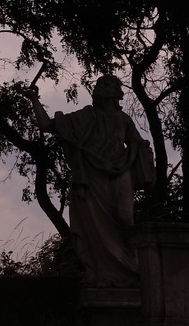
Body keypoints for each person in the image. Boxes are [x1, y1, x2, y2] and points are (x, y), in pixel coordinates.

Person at [27, 75, 154, 287]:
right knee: (93, 225)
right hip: (92, 175)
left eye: (105, 85)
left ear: (115, 93)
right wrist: (34, 100)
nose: (99, 87)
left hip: (120, 171)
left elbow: (138, 145)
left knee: (124, 218)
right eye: (98, 84)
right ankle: (103, 273)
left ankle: (132, 269)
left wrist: (143, 152)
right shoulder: (84, 116)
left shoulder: (123, 119)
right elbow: (47, 125)